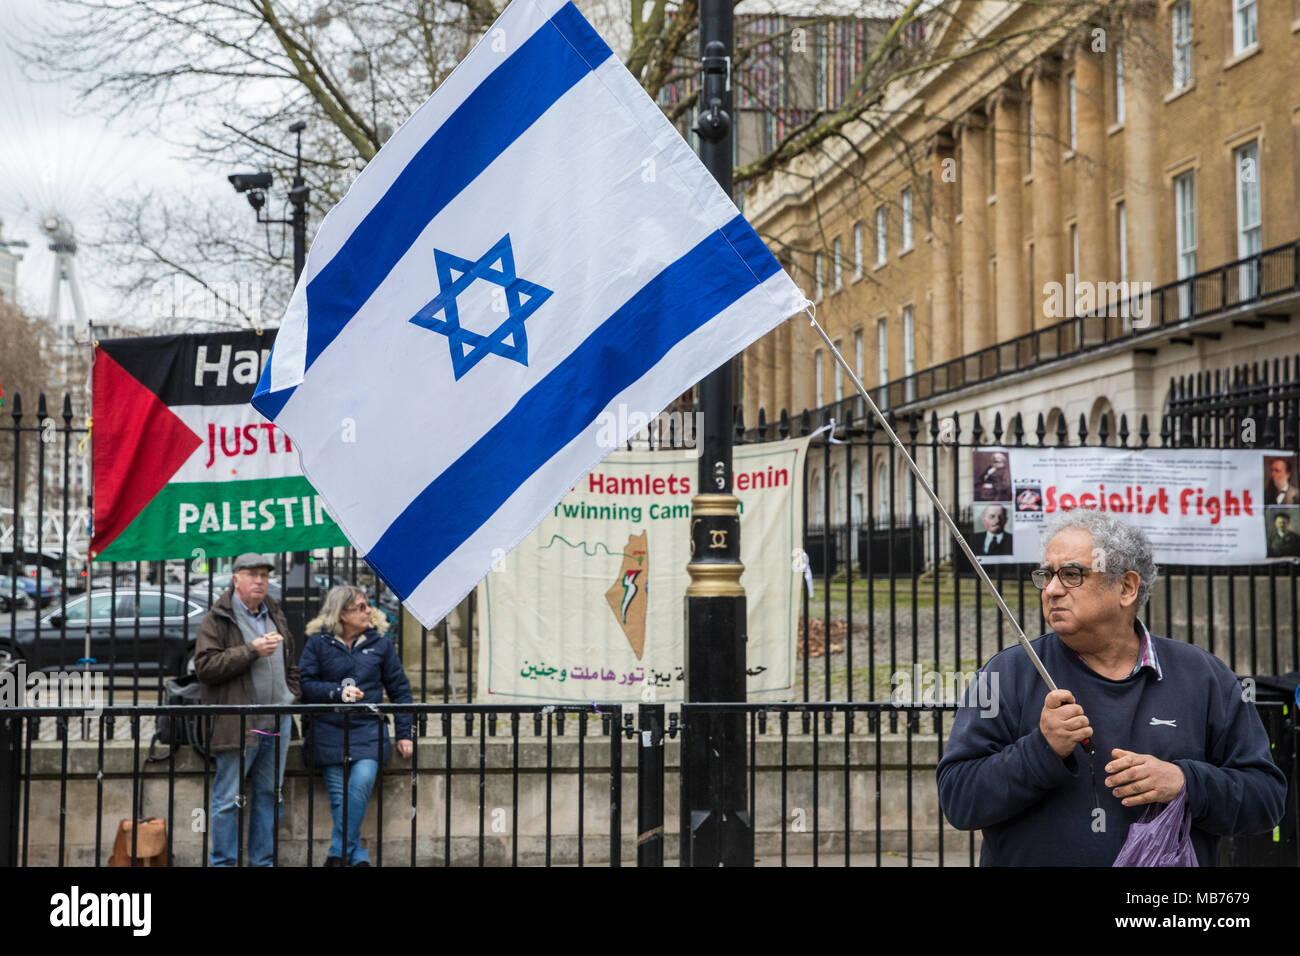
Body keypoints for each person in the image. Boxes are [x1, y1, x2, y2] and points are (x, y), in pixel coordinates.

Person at [937, 510, 1286, 866]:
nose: (1052, 590)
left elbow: (1266, 799)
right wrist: (1041, 751)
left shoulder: (1203, 676)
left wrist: (1185, 783)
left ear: (1126, 587)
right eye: (1046, 575)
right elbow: (959, 801)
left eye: (1072, 575)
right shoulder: (1007, 673)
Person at [194, 553, 300, 867]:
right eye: (252, 574)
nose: (259, 581)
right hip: (240, 723)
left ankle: (262, 862)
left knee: (269, 796)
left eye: (265, 575)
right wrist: (250, 651)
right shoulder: (219, 617)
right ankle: (223, 863)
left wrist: (290, 695)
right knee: (228, 800)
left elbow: (291, 660)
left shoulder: (275, 612)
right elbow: (205, 666)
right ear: (236, 578)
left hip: (277, 721)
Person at [299, 585, 413, 867]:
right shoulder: (318, 643)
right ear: (342, 614)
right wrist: (337, 692)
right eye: (360, 607)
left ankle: (337, 854)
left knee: (361, 784)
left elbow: (400, 690)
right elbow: (306, 684)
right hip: (328, 727)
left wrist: (404, 733)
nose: (368, 612)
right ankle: (358, 856)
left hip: (367, 728)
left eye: (368, 605)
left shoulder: (381, 645)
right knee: (340, 798)